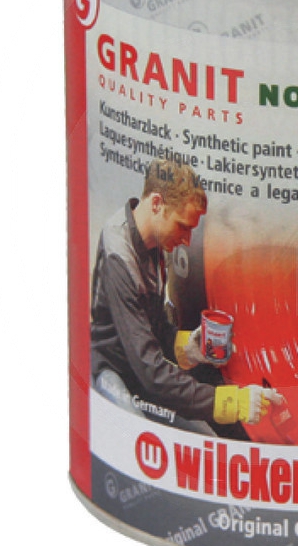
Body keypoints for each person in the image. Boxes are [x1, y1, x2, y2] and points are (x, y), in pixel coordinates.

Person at [90, 158, 282, 434]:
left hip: (139, 369)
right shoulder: (119, 256)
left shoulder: (154, 243)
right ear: (157, 204)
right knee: (133, 432)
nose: (187, 241)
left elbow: (151, 327)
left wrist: (186, 347)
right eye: (183, 226)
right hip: (111, 369)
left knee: (205, 435)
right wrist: (233, 403)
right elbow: (151, 371)